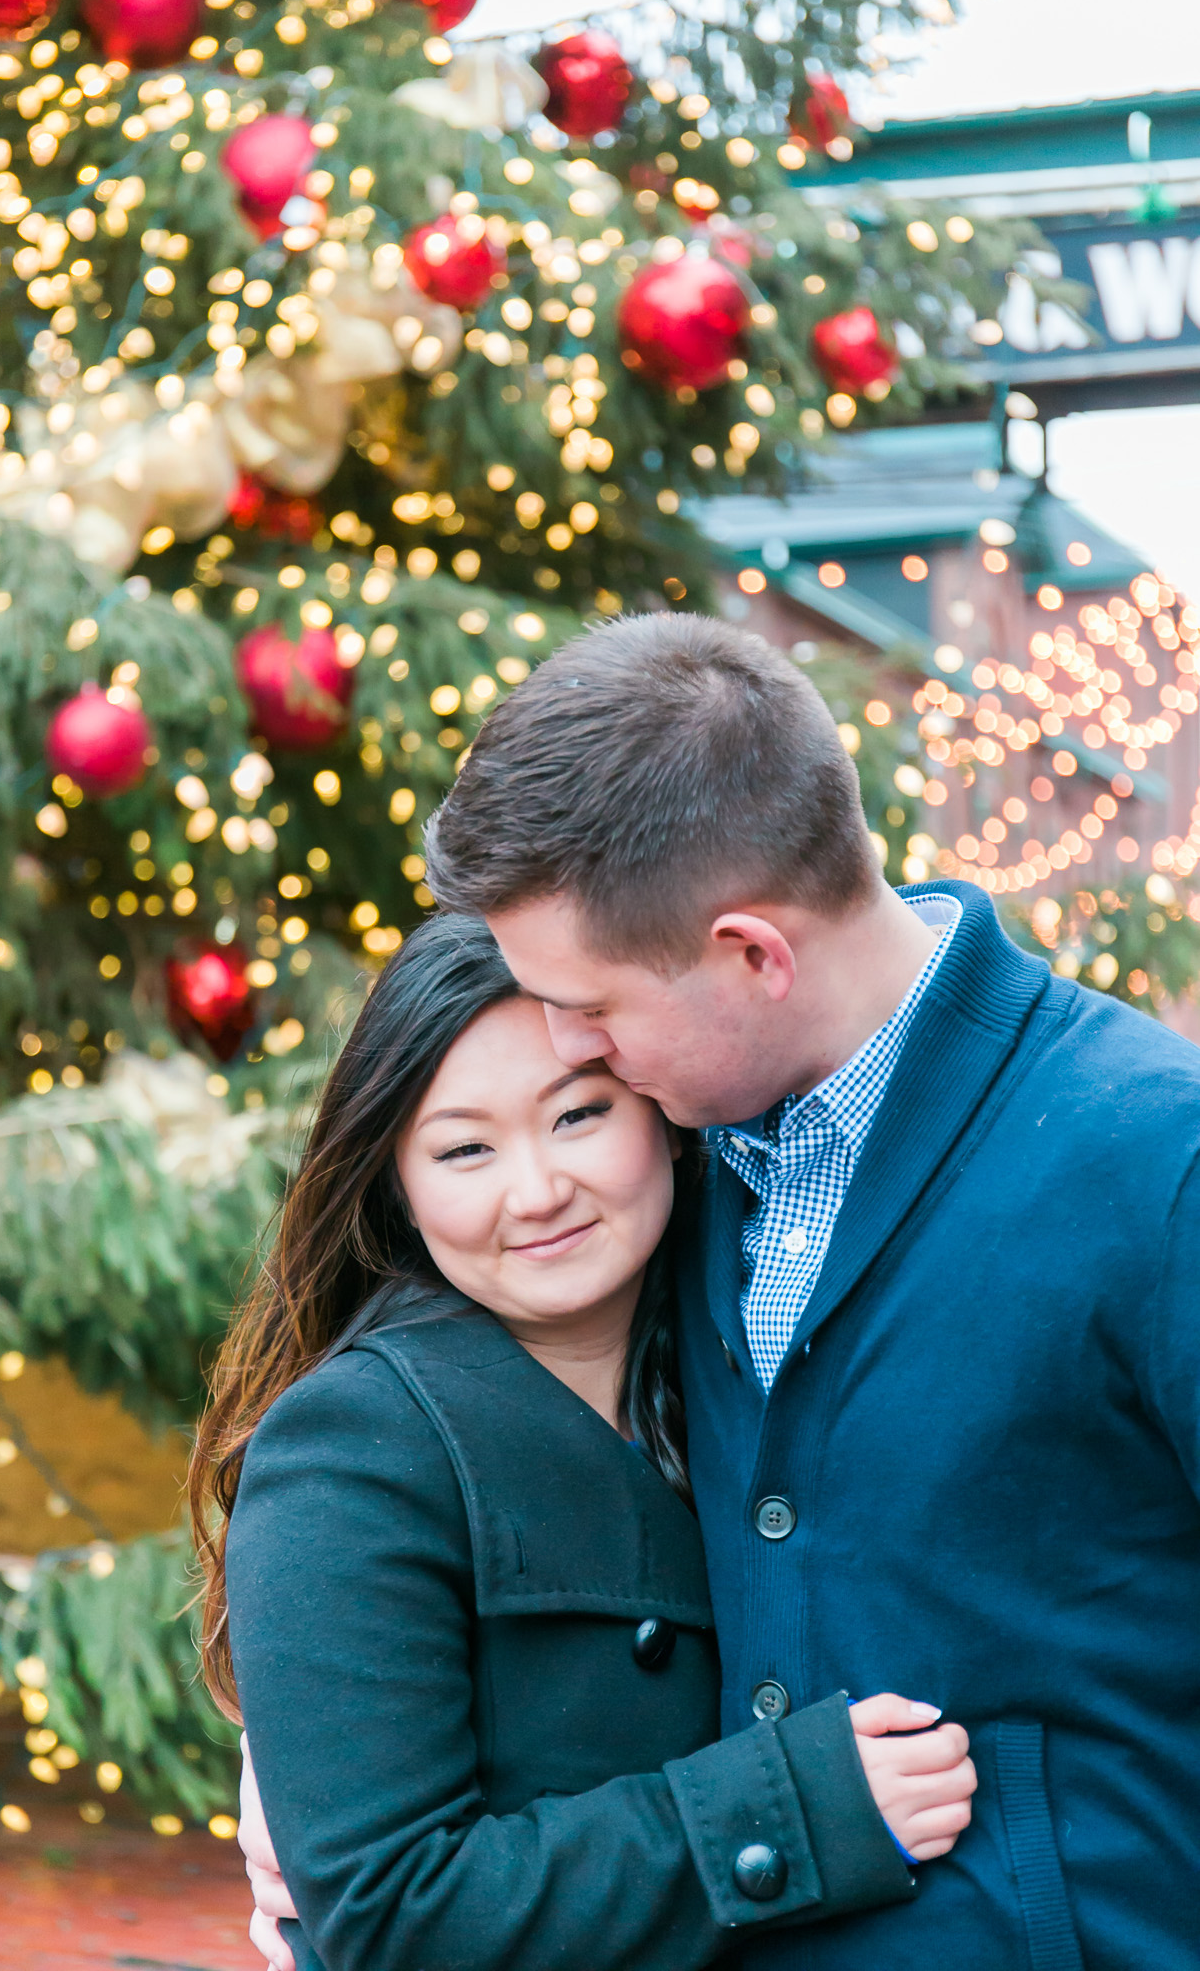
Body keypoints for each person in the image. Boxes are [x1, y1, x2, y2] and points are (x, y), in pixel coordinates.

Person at [413, 610, 1200, 1969]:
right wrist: (319, 1763)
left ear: (751, 957)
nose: (562, 1048)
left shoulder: (1153, 1161)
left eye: (588, 1005)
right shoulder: (658, 1160)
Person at [192, 912, 977, 1971]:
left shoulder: (754, 1357)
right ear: (399, 1185)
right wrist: (788, 1811)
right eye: (464, 1147)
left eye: (577, 1114)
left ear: (659, 1113)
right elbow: (389, 1912)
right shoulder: (354, 1446)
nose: (536, 1191)